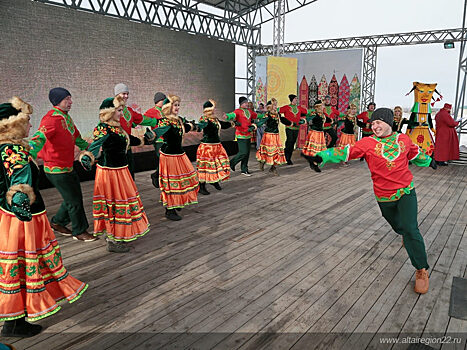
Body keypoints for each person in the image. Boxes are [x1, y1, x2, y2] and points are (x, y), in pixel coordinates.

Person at [305, 108, 437, 294]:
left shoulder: (403, 140)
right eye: (372, 123)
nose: (374, 126)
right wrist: (322, 156)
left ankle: (421, 269)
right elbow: (346, 151)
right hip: (383, 195)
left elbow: (415, 153)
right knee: (399, 226)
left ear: (389, 123)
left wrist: (429, 161)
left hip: (406, 191)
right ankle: (404, 234)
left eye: (379, 122)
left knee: (411, 228)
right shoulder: (367, 143)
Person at [0, 97, 87, 337]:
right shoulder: (13, 150)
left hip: (12, 217)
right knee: (23, 265)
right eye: (26, 122)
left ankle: (14, 319)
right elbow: (19, 179)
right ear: (13, 125)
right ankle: (14, 322)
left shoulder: (7, 147)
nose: (30, 126)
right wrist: (21, 203)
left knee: (17, 267)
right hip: (21, 219)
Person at [79, 96, 150, 253]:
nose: (121, 113)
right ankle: (112, 239)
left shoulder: (117, 128)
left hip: (120, 171)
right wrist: (87, 157)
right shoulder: (102, 128)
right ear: (110, 112)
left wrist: (145, 139)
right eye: (118, 110)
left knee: (121, 203)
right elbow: (95, 146)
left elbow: (127, 140)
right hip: (110, 173)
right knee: (113, 204)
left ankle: (117, 235)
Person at [29, 88, 96, 242]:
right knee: (74, 201)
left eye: (70, 98)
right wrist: (28, 153)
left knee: (73, 198)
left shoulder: (66, 118)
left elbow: (77, 138)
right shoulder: (51, 119)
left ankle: (58, 222)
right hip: (56, 169)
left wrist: (91, 148)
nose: (70, 102)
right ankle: (79, 231)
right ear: (57, 101)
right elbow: (39, 137)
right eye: (67, 99)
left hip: (67, 166)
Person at [153, 95, 199, 221]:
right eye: (175, 105)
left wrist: (196, 126)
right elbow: (159, 131)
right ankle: (169, 210)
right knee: (171, 184)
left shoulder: (178, 120)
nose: (177, 107)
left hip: (179, 155)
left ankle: (177, 202)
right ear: (169, 107)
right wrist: (150, 135)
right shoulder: (165, 121)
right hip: (169, 156)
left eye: (178, 105)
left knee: (185, 180)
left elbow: (187, 127)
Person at [113, 83, 159, 178]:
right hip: (115, 151)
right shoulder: (110, 110)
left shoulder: (129, 111)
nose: (126, 96)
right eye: (123, 94)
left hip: (128, 148)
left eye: (127, 94)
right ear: (117, 95)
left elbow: (142, 119)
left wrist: (157, 121)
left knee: (129, 176)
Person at [196, 100, 233, 195]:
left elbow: (222, 125)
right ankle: (201, 186)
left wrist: (232, 124)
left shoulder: (215, 119)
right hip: (207, 147)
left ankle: (214, 180)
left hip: (217, 146)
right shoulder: (204, 119)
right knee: (205, 167)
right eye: (213, 108)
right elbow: (201, 125)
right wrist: (197, 127)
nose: (214, 110)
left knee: (218, 164)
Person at [225, 96, 259, 176]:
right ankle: (231, 163)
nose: (247, 104)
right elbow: (232, 115)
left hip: (248, 135)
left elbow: (256, 115)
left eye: (247, 102)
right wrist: (228, 116)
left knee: (247, 153)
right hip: (241, 135)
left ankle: (244, 169)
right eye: (246, 103)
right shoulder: (238, 111)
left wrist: (265, 115)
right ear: (242, 103)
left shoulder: (249, 111)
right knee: (243, 152)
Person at [255, 98, 287, 175]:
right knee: (267, 151)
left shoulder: (278, 114)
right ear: (271, 106)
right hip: (268, 136)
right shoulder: (267, 114)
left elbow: (284, 120)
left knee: (276, 152)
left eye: (276, 104)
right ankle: (262, 162)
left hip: (276, 136)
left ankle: (273, 168)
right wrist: (254, 126)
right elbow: (262, 122)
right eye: (275, 105)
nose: (276, 106)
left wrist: (294, 122)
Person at [143, 92, 167, 188]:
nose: (165, 102)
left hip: (167, 139)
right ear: (159, 101)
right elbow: (142, 119)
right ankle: (156, 175)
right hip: (158, 140)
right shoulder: (151, 111)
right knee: (162, 160)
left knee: (166, 160)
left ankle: (161, 177)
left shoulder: (166, 111)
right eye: (163, 100)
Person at [279, 94, 308, 165]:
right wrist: (284, 120)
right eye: (295, 99)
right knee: (289, 141)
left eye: (296, 99)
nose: (296, 100)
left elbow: (307, 112)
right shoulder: (286, 107)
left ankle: (289, 157)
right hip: (289, 128)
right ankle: (286, 158)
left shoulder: (299, 108)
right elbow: (278, 111)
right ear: (292, 99)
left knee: (292, 143)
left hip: (296, 128)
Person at [300, 100, 327, 172]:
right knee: (315, 150)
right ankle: (315, 164)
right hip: (314, 133)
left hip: (320, 134)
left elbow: (327, 120)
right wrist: (301, 121)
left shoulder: (323, 115)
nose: (324, 107)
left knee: (320, 150)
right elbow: (307, 119)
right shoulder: (314, 114)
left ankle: (314, 163)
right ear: (319, 107)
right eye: (322, 105)